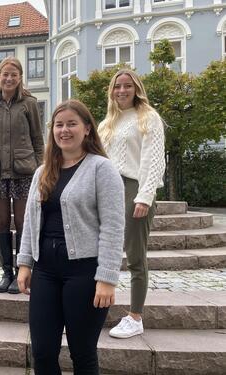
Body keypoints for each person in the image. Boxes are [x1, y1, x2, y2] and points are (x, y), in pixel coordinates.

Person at [17, 99, 125, 374]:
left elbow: (113, 226)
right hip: (45, 272)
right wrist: (25, 263)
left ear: (87, 128)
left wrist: (107, 279)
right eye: (59, 125)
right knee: (42, 353)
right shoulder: (42, 172)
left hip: (84, 273)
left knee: (82, 352)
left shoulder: (102, 169)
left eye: (72, 124)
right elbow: (31, 220)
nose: (64, 130)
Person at [99, 69, 166, 339]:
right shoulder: (108, 122)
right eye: (117, 87)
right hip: (107, 189)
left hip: (133, 189)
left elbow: (154, 160)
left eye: (127, 86)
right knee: (102, 251)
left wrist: (145, 197)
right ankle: (95, 307)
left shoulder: (148, 117)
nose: (122, 91)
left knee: (135, 256)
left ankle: (135, 316)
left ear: (136, 88)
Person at [0, 56, 44, 294]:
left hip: (24, 172)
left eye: (13, 75)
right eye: (5, 74)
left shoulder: (29, 104)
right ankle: (6, 272)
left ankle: (21, 271)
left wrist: (41, 170)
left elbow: (38, 140)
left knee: (21, 222)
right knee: (1, 222)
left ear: (20, 78)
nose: (9, 78)